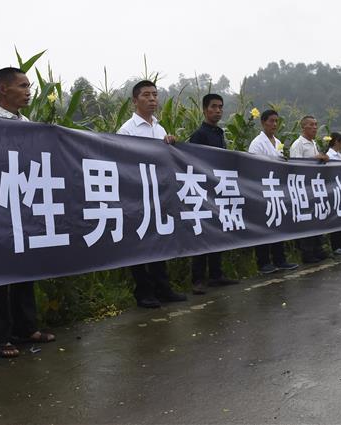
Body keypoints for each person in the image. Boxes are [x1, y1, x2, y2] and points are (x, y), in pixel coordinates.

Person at [0, 68, 57, 358]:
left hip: (23, 202)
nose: (28, 91)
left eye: (29, 86)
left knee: (26, 267)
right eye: (22, 86)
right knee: (1, 273)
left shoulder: (26, 123)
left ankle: (27, 328)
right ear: (3, 89)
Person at [117, 80, 188, 308]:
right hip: (138, 195)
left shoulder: (160, 129)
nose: (152, 99)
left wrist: (171, 143)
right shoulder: (127, 129)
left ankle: (163, 288)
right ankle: (144, 292)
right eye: (146, 95)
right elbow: (122, 162)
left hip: (159, 193)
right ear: (135, 100)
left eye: (155, 95)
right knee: (140, 243)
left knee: (161, 241)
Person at [188, 94, 240, 293]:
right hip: (203, 190)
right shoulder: (199, 134)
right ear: (204, 109)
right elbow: (193, 161)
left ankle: (216, 275)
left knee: (218, 233)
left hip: (218, 189)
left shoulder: (219, 133)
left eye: (220, 107)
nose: (218, 110)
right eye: (214, 107)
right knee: (202, 234)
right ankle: (198, 279)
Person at [247, 109, 299, 274]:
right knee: (263, 226)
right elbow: (254, 167)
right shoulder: (257, 143)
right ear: (263, 122)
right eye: (271, 121)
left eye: (277, 121)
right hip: (262, 188)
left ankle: (280, 259)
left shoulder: (278, 142)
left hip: (277, 189)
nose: (274, 124)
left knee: (278, 224)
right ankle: (263, 263)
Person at [289, 116, 332, 262]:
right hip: (303, 188)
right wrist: (315, 158)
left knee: (316, 219)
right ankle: (307, 253)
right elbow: (295, 166)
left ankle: (317, 249)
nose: (315, 127)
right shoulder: (298, 144)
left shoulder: (313, 143)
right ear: (303, 127)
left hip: (314, 187)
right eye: (311, 125)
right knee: (307, 221)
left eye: (316, 124)